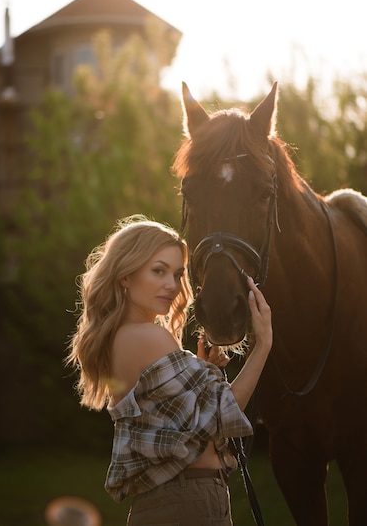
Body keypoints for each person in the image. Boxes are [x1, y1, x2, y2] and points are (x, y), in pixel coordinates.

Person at [67, 215, 272, 526]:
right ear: (126, 275)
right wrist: (263, 346)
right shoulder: (148, 337)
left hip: (170, 503)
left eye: (177, 274)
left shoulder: (125, 337)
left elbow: (176, 422)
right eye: (158, 271)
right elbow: (219, 419)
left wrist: (202, 373)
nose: (172, 286)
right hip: (188, 503)